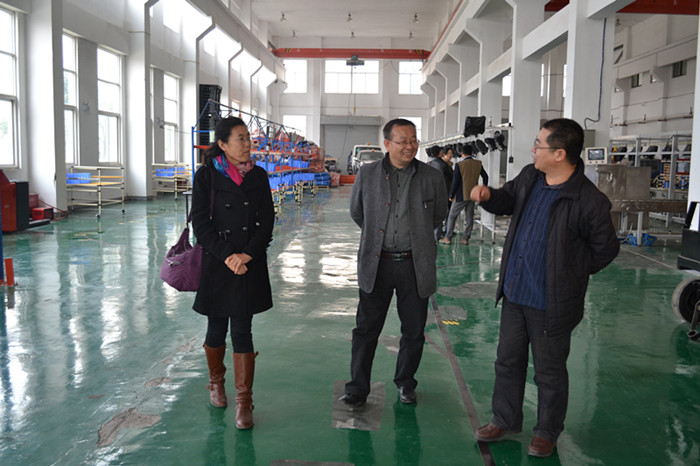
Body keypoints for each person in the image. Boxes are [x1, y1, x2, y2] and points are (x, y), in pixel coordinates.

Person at [470, 118, 619, 457]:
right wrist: (489, 196)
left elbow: (606, 249)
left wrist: (570, 274)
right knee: (507, 361)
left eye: (539, 145)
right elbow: (507, 200)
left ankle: (547, 432)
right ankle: (504, 419)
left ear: (559, 154)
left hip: (551, 302)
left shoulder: (588, 200)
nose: (533, 149)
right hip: (515, 292)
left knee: (549, 372)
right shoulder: (530, 177)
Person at [339, 118, 447, 406]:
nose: (409, 146)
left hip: (414, 264)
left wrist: (417, 236)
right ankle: (357, 388)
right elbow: (357, 212)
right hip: (378, 263)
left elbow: (439, 214)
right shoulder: (368, 174)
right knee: (366, 329)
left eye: (413, 140)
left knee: (413, 330)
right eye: (402, 141)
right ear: (387, 144)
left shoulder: (432, 176)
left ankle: (406, 383)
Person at [191, 116, 275, 430]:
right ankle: (216, 383)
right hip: (218, 261)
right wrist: (228, 255)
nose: (247, 144)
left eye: (248, 138)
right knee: (215, 328)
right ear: (223, 144)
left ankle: (244, 401)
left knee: (242, 329)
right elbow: (200, 223)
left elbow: (267, 220)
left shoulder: (259, 176)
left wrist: (247, 254)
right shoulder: (206, 176)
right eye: (240, 138)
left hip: (247, 263)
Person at [439, 143, 489, 245]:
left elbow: (455, 182)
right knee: (469, 217)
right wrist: (482, 188)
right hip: (473, 196)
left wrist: (451, 195)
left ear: (462, 153)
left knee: (452, 216)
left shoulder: (459, 165)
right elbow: (485, 177)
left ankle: (448, 237)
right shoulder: (478, 163)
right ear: (472, 153)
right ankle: (466, 238)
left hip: (461, 195)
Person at [428, 146, 453, 240]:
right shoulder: (443, 164)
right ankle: (437, 235)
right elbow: (451, 177)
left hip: (430, 192)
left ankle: (431, 233)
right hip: (442, 192)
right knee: (440, 214)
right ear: (440, 153)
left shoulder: (428, 164)